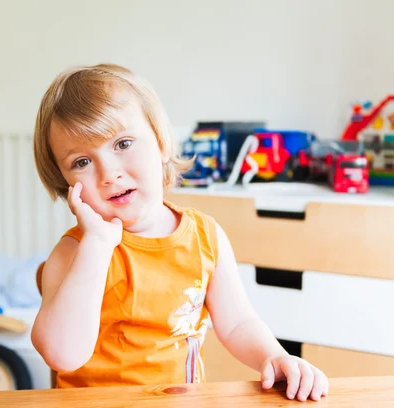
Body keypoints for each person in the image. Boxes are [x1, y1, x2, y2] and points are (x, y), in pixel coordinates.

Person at [30, 63, 329, 402]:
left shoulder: (205, 236)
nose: (108, 174)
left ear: (161, 143)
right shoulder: (74, 253)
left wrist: (273, 356)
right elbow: (61, 354)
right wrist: (97, 245)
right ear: (66, 183)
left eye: (123, 143)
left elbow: (237, 324)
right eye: (82, 162)